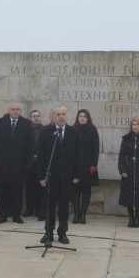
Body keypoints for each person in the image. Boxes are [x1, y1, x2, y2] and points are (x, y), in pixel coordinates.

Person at [36, 105, 83, 244]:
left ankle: (62, 233)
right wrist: (40, 177)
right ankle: (48, 233)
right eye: (58, 114)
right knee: (50, 206)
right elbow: (41, 156)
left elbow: (79, 156)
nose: (61, 116)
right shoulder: (45, 132)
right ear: (53, 117)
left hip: (67, 177)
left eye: (63, 114)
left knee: (64, 207)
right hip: (50, 177)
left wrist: (77, 175)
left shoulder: (74, 132)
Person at [0, 101, 35, 224]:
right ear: (9, 110)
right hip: (2, 164)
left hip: (19, 165)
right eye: (13, 109)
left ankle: (16, 215)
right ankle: (3, 215)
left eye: (17, 109)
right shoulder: (0, 122)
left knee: (17, 192)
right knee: (2, 192)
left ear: (21, 111)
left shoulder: (27, 123)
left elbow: (31, 145)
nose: (15, 111)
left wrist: (29, 162)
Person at [118, 117, 139, 227]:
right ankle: (130, 217)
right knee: (128, 194)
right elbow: (121, 156)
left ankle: (137, 218)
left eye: (138, 124)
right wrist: (122, 170)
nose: (135, 126)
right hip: (128, 169)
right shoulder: (126, 139)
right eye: (133, 124)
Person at [72, 109, 99, 224]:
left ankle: (83, 214)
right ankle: (76, 214)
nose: (82, 118)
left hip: (88, 164)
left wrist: (93, 164)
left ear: (88, 118)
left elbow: (96, 149)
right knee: (76, 189)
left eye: (84, 116)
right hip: (75, 165)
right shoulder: (73, 130)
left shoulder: (92, 130)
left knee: (86, 189)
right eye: (80, 116)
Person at [23, 109, 44, 220]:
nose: (36, 118)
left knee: (40, 187)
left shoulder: (45, 130)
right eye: (33, 116)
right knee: (29, 187)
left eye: (38, 116)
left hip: (41, 163)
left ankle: (39, 209)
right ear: (30, 118)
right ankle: (29, 208)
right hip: (29, 163)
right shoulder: (26, 129)